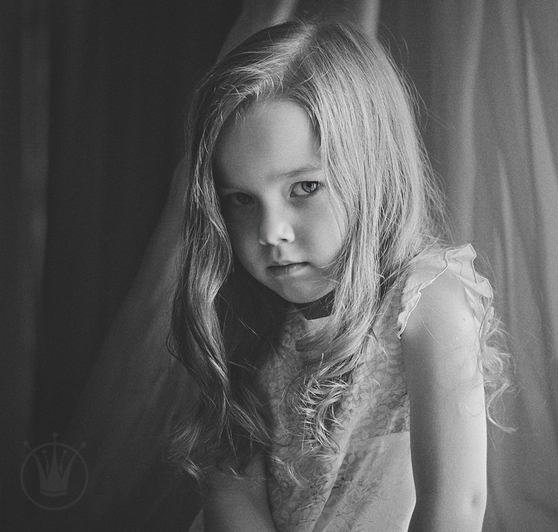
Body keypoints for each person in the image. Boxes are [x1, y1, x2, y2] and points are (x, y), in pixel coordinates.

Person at [169, 19, 509, 532]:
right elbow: (231, 495)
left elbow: (457, 504)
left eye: (304, 188)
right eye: (240, 199)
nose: (271, 232)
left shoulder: (425, 301)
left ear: (371, 171)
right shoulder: (239, 311)